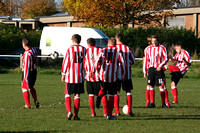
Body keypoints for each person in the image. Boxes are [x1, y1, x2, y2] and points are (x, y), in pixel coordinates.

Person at [92, 37, 125, 120]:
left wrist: (94, 72)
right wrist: (122, 74)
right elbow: (122, 63)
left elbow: (96, 62)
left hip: (103, 76)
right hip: (113, 77)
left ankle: (101, 100)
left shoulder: (103, 50)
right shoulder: (117, 51)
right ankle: (109, 115)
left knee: (104, 92)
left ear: (108, 43)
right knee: (111, 96)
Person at [61, 34, 86, 120]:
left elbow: (66, 62)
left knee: (67, 94)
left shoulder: (70, 49)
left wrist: (63, 74)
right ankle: (76, 115)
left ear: (72, 40)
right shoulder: (84, 49)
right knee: (77, 95)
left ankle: (69, 112)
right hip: (80, 76)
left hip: (70, 76)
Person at [112, 33, 135, 117]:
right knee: (128, 91)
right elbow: (133, 61)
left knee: (116, 92)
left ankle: (117, 111)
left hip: (116, 74)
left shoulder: (114, 48)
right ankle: (129, 110)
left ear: (116, 39)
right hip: (127, 74)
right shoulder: (128, 48)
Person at [143, 35, 169, 108]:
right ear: (151, 41)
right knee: (151, 85)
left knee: (161, 86)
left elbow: (166, 58)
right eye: (153, 41)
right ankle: (152, 103)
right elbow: (146, 60)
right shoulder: (147, 49)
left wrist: (160, 66)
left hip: (159, 69)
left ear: (158, 41)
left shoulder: (162, 48)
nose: (154, 42)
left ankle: (163, 104)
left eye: (155, 40)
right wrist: (145, 70)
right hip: (151, 69)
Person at [83, 38, 102, 117]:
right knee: (102, 94)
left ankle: (93, 113)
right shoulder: (100, 50)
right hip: (99, 76)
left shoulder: (86, 51)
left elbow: (84, 63)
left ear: (88, 44)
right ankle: (105, 112)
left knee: (90, 94)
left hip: (89, 76)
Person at [21, 38, 39, 109]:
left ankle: (28, 104)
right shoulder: (34, 50)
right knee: (31, 86)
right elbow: (36, 60)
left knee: (24, 87)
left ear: (24, 44)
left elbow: (26, 67)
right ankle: (35, 100)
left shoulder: (27, 54)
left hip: (28, 72)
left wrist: (25, 77)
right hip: (34, 71)